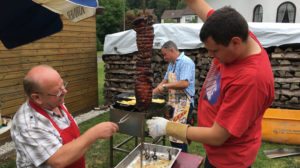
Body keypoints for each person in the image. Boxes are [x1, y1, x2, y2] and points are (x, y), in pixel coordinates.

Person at [147, 1, 275, 168]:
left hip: (229, 160)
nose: (210, 55)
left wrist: (169, 128)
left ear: (235, 42)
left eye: (215, 50)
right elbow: (201, 7)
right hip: (216, 152)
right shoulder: (235, 32)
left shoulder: (250, 80)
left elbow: (218, 136)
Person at [10, 65, 118, 168]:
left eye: (63, 86)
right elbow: (58, 160)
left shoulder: (53, 102)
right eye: (58, 91)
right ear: (37, 98)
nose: (65, 92)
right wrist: (95, 133)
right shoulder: (28, 124)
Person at [152, 40, 195, 153]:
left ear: (171, 50)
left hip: (184, 104)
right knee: (172, 133)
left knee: (179, 137)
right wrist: (154, 91)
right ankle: (176, 159)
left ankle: (182, 161)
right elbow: (165, 80)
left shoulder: (185, 62)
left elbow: (184, 83)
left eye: (165, 54)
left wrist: (165, 86)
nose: (164, 58)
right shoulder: (172, 64)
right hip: (173, 103)